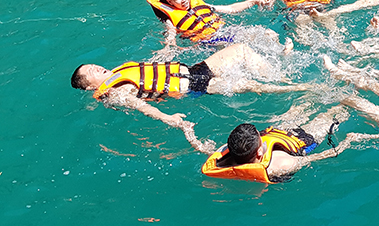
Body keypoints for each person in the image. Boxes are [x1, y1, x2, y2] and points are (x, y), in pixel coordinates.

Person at [71, 43, 309, 151]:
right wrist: (168, 118)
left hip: (192, 71)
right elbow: (141, 106)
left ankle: (280, 75)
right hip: (194, 87)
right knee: (248, 85)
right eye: (91, 72)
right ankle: (296, 87)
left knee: (242, 50)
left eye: (93, 64)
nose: (96, 67)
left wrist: (168, 48)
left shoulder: (119, 72)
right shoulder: (116, 92)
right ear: (90, 87)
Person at [201, 105, 366, 182]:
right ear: (259, 153)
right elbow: (316, 157)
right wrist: (344, 144)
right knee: (338, 112)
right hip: (303, 139)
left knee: (305, 103)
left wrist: (189, 134)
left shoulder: (222, 157)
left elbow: (206, 150)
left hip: (279, 132)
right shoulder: (282, 164)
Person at [147, 0, 278, 49]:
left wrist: (255, 1)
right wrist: (168, 48)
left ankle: (281, 53)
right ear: (169, 1)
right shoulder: (170, 19)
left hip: (224, 33)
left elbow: (231, 8)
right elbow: (170, 34)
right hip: (208, 42)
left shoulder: (202, 5)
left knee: (269, 34)